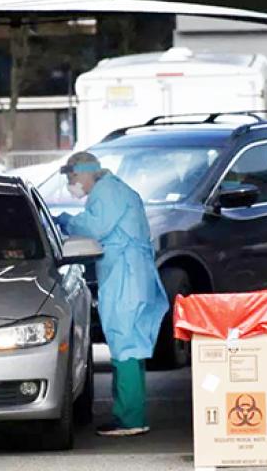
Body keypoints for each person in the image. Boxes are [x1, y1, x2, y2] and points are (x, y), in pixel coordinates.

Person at [53, 152, 169, 437]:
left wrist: (66, 221)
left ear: (87, 173)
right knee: (131, 347)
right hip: (130, 275)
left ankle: (130, 419)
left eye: (73, 178)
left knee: (125, 345)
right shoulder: (117, 189)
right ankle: (132, 414)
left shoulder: (107, 191)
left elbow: (94, 227)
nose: (72, 184)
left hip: (125, 279)